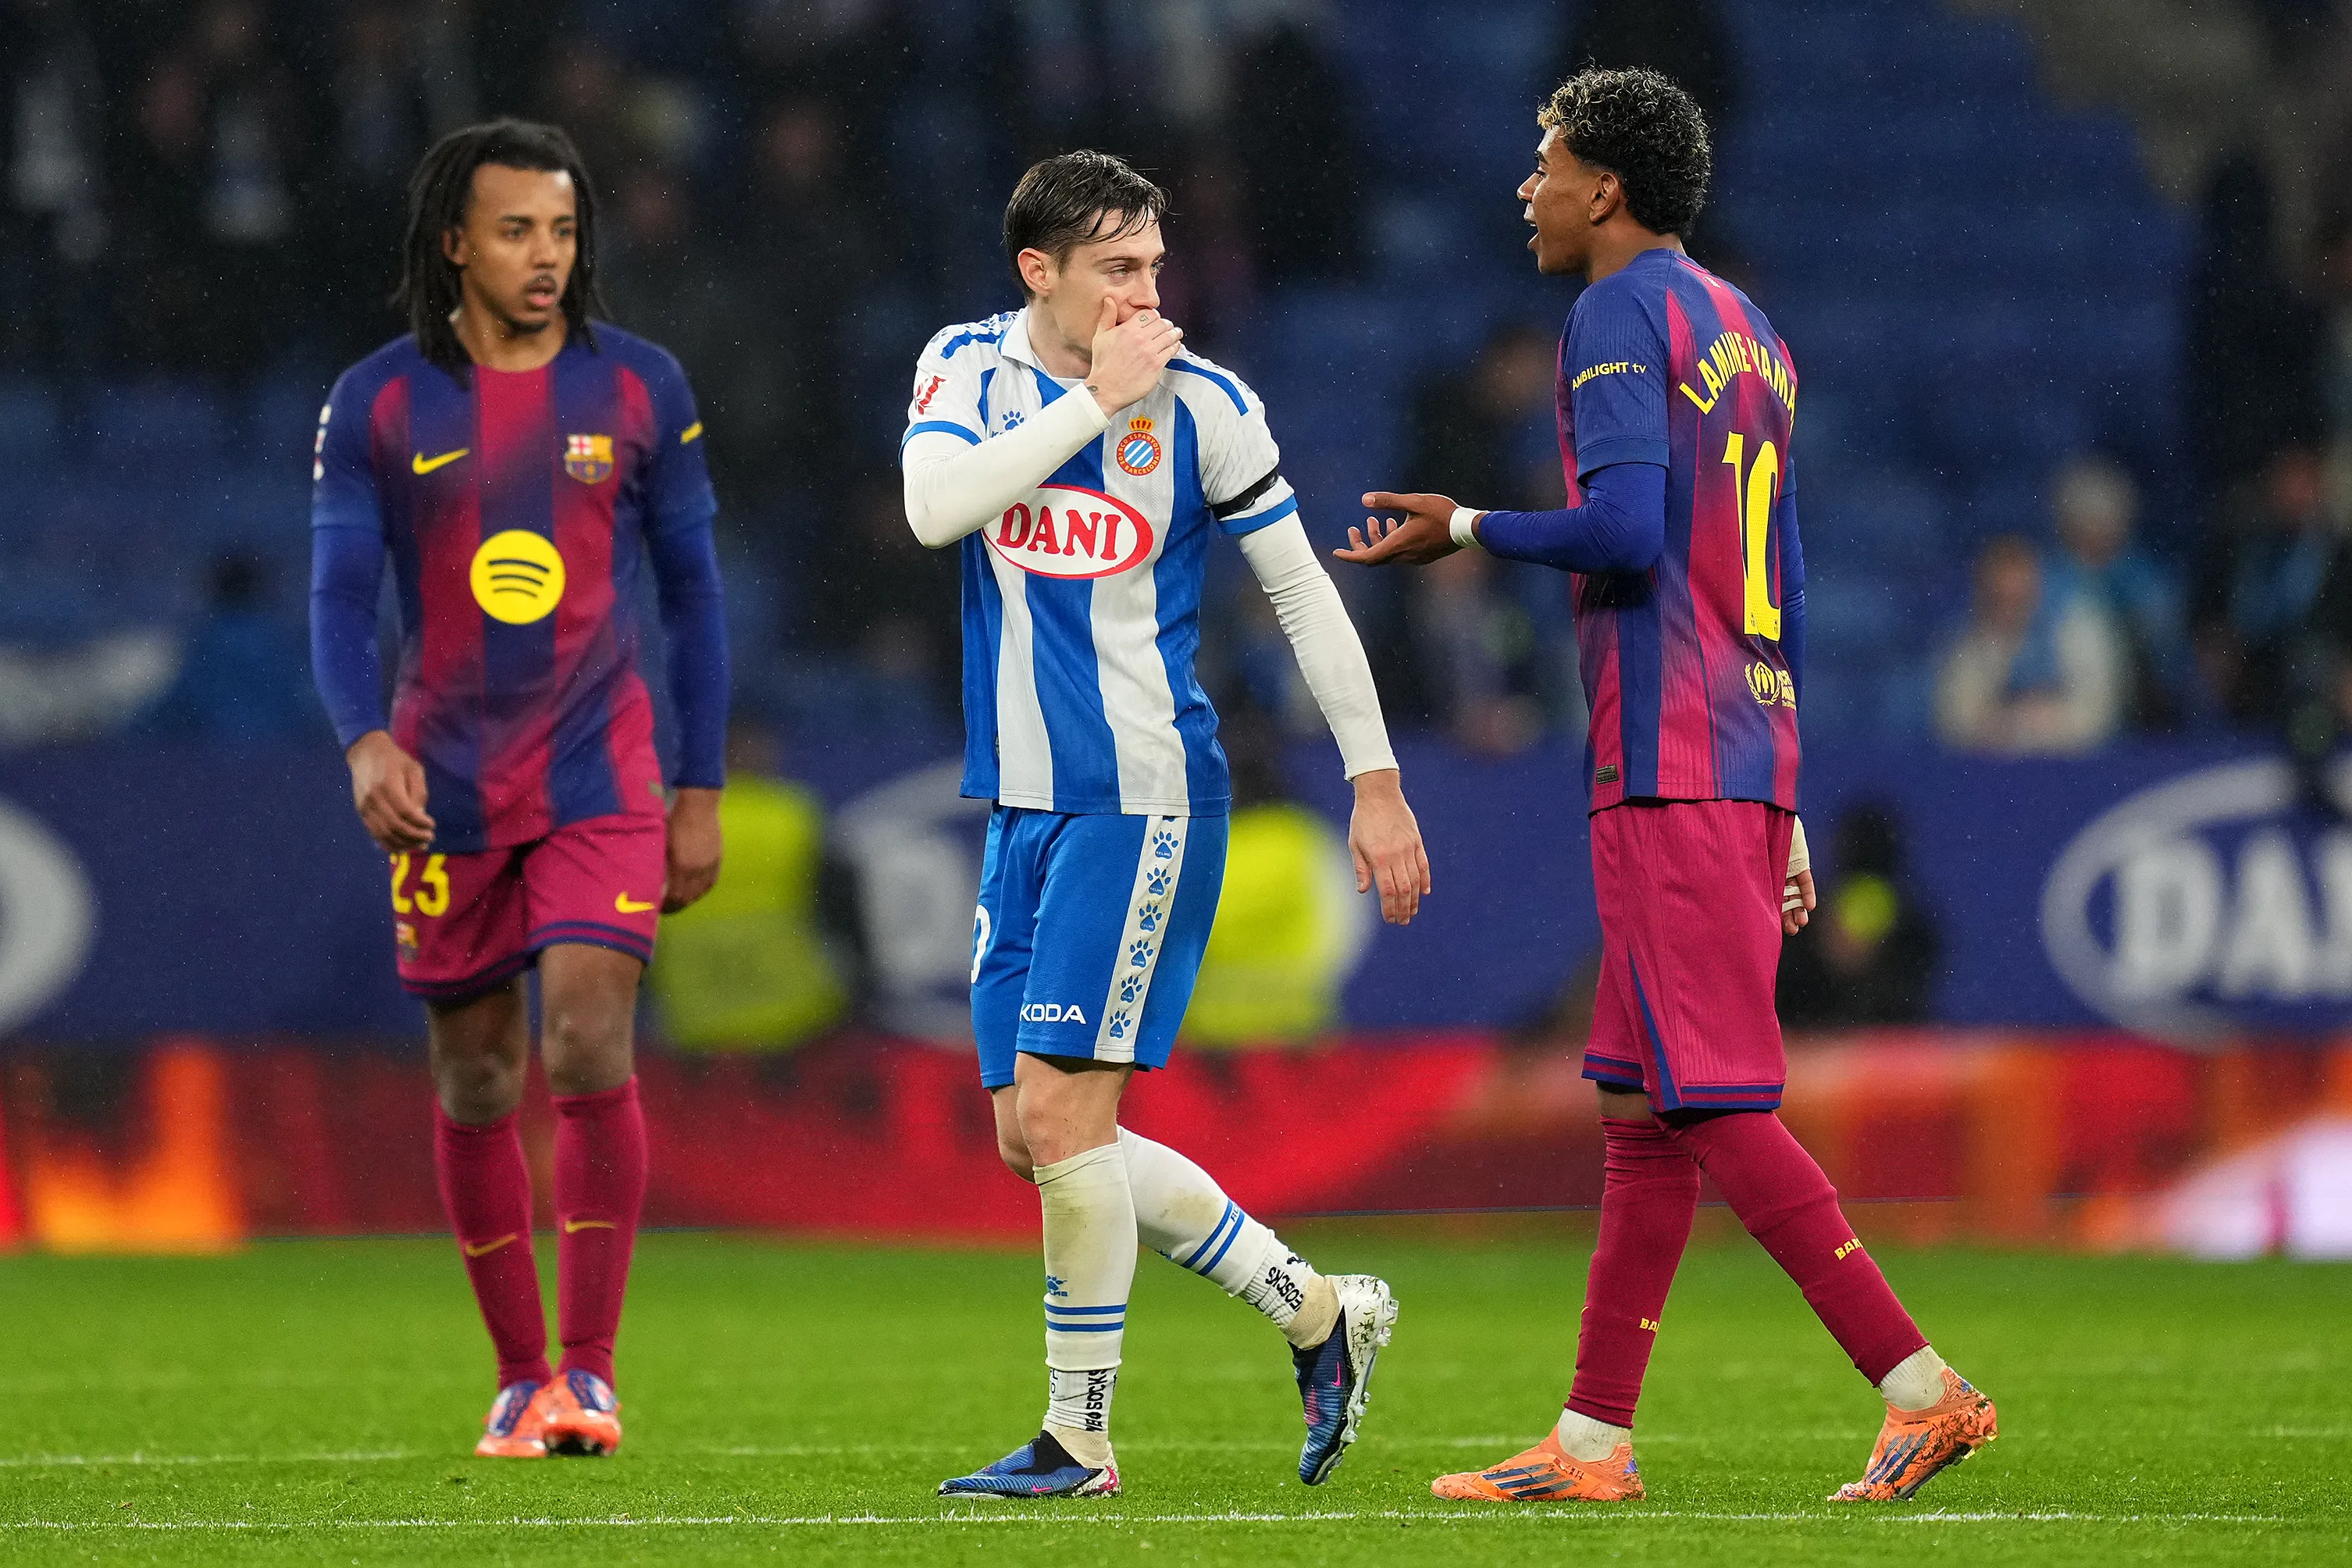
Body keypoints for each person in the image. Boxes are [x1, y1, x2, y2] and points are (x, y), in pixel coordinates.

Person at [1336, 68, 1996, 1506]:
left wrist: (1466, 525)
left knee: (1711, 1101)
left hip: (1670, 754)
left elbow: (1628, 531)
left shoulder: (1616, 314)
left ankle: (1919, 1385)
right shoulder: (1752, 332)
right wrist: (1786, 787)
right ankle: (1590, 1444)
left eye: (1547, 164)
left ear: (1608, 190)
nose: (1530, 188)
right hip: (1738, 748)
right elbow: (1783, 581)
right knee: (1642, 1116)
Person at [900, 151, 1430, 1499]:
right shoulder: (965, 366)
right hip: (1022, 799)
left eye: (1154, 264)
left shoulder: (1208, 405)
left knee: (1066, 1119)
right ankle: (1317, 1310)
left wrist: (1374, 779)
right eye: (1116, 269)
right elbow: (935, 510)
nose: (1148, 294)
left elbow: (1303, 595)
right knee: (1029, 1133)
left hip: (1145, 798)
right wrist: (1092, 401)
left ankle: (1077, 1438)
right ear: (1039, 272)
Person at [307, 119, 728, 1462]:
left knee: (588, 1040)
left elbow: (695, 597)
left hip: (602, 768)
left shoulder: (642, 385)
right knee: (478, 1070)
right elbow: (339, 593)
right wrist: (363, 741)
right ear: (454, 244)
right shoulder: (377, 401)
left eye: (561, 230)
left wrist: (700, 782)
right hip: (447, 783)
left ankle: (589, 1378)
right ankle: (516, 1376)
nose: (545, 256)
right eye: (513, 231)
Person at [1935, 533, 2126, 755]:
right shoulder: (1973, 639)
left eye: (2018, 598)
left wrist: (2040, 722)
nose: (2009, 610)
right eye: (2000, 598)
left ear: (2037, 588)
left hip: (2070, 761)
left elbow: (2099, 714)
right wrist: (2013, 721)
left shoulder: (2075, 625)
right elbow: (1956, 721)